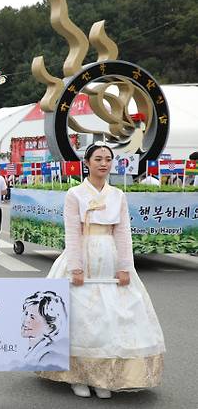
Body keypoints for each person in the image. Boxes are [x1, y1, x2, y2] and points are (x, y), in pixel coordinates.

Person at [37, 143, 165, 399]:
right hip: (82, 254)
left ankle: (104, 377)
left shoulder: (118, 195)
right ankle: (78, 376)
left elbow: (123, 233)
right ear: (87, 162)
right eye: (98, 159)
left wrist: (126, 266)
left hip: (109, 255)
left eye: (108, 159)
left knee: (113, 317)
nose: (104, 163)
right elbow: (72, 232)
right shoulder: (74, 194)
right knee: (81, 317)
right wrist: (75, 266)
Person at [21, 291, 68, 368]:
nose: (26, 320)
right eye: (26, 314)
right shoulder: (31, 351)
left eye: (32, 317)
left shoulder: (48, 355)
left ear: (50, 327)